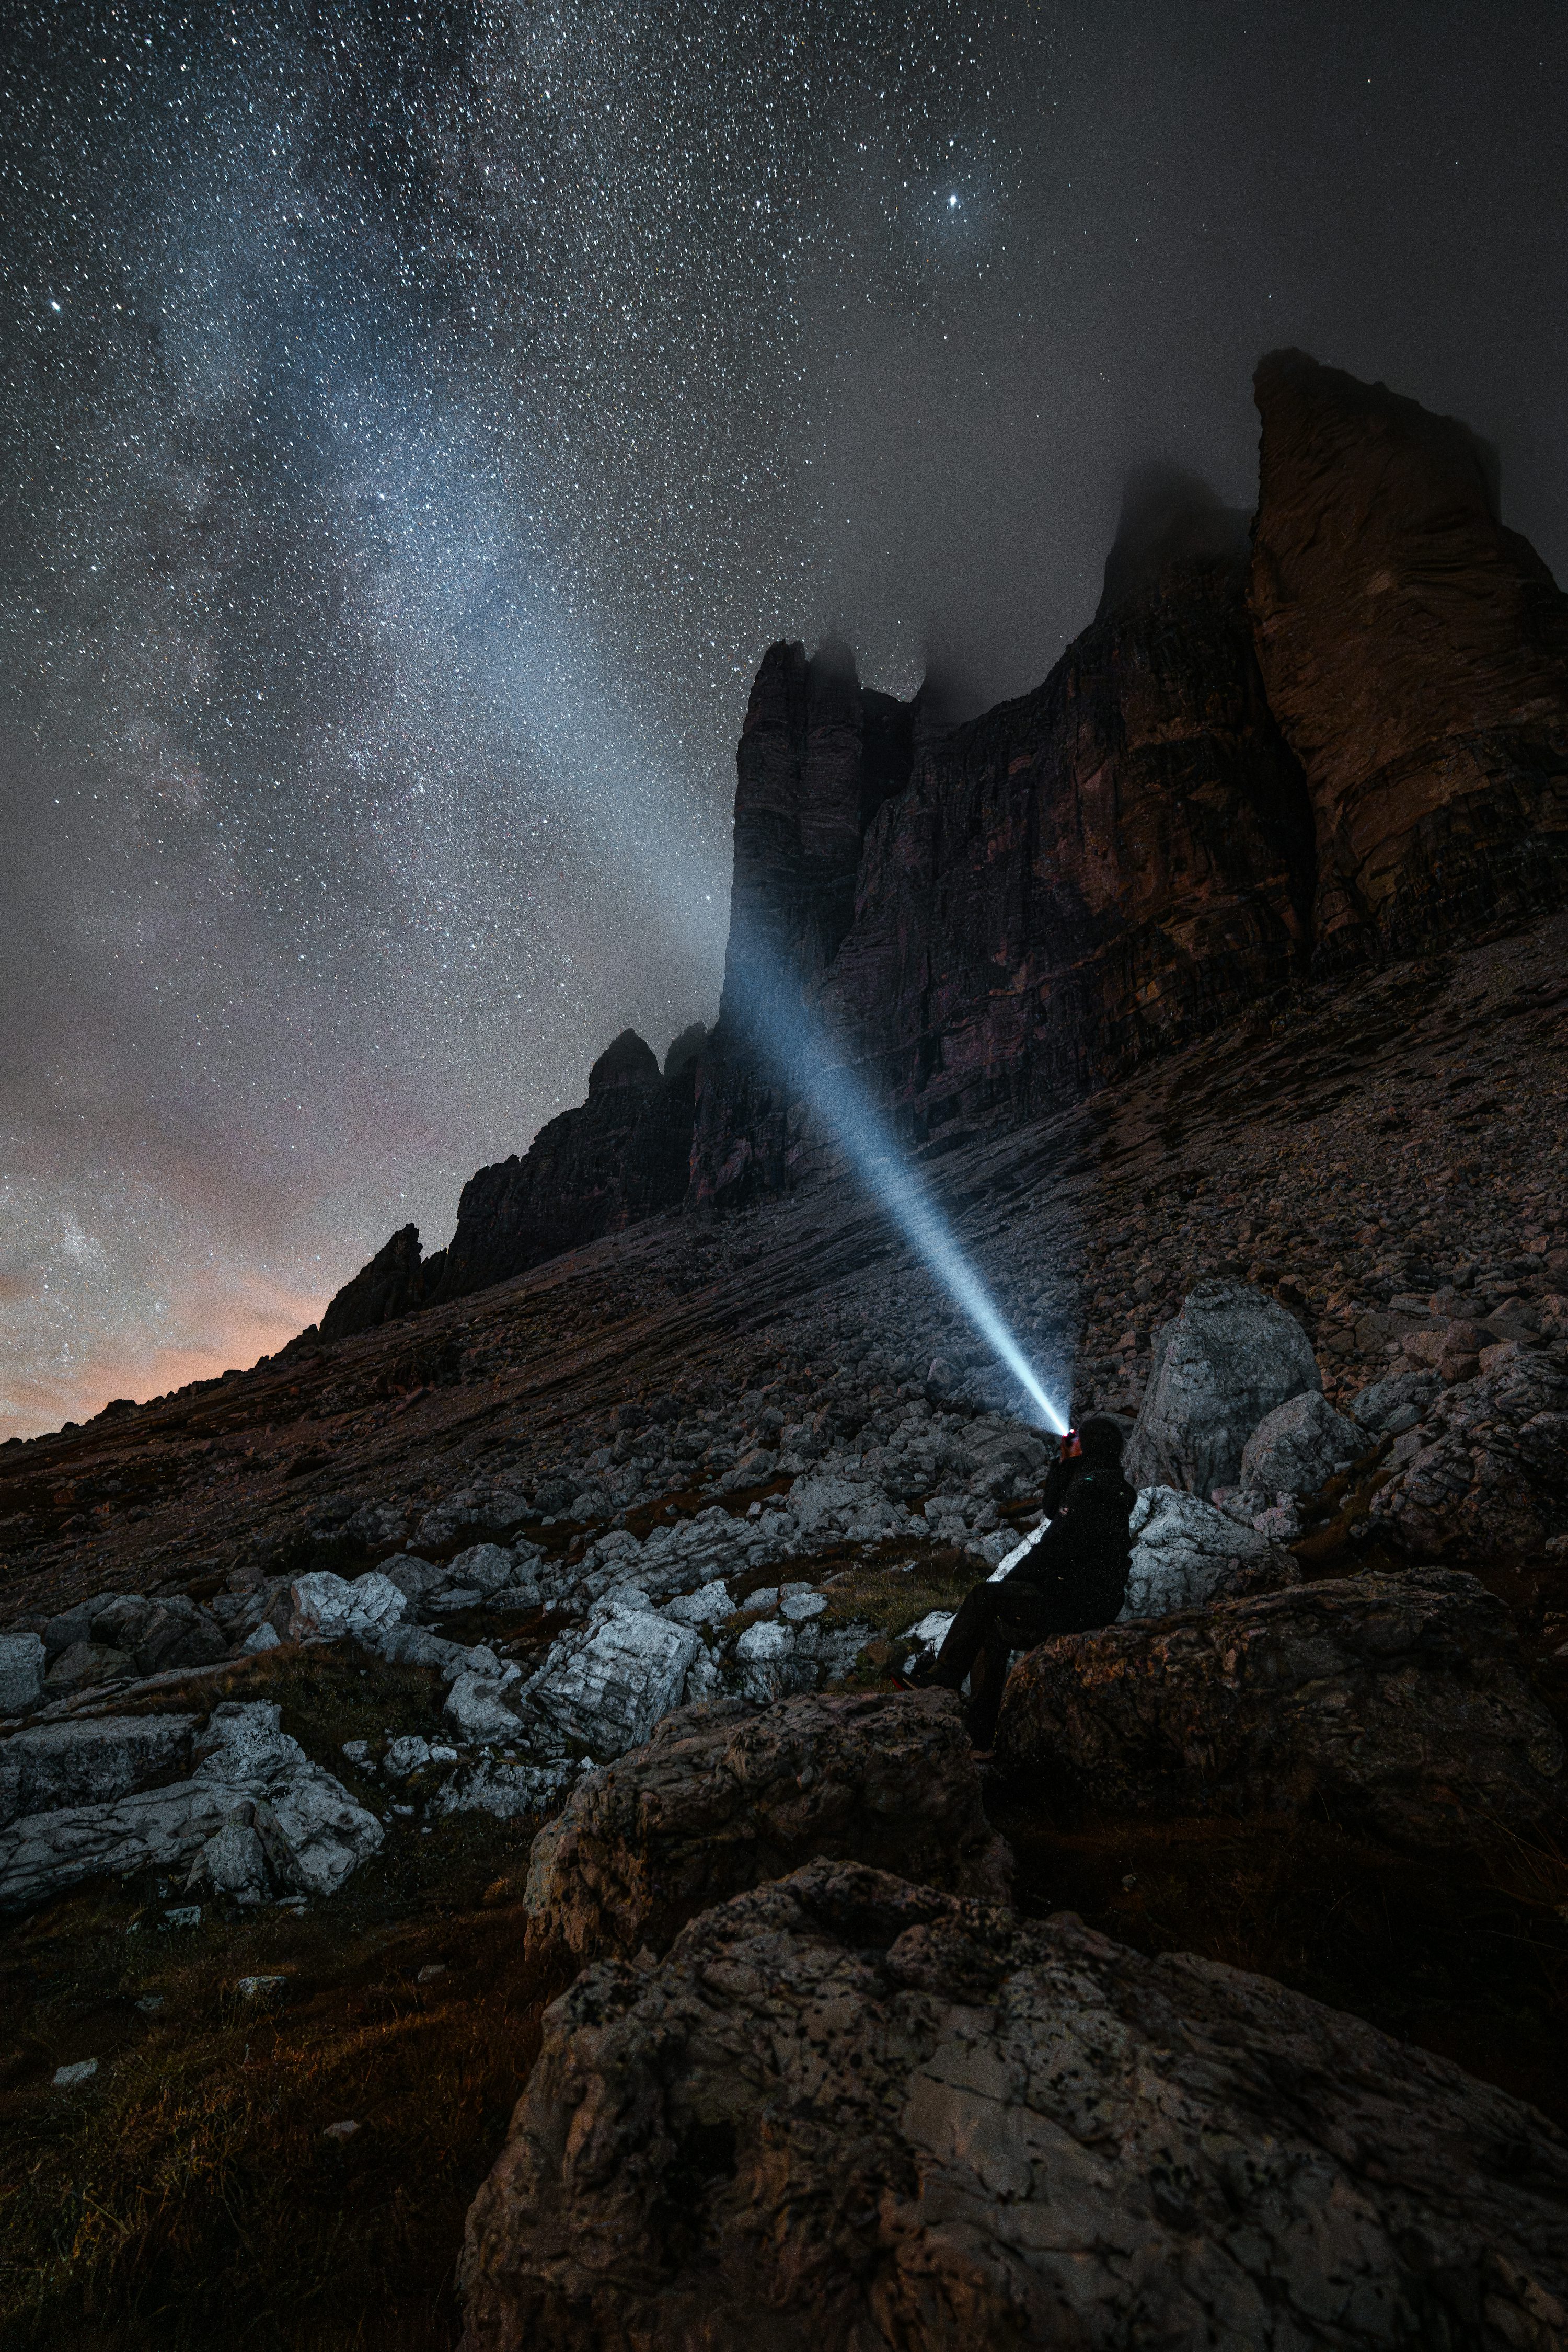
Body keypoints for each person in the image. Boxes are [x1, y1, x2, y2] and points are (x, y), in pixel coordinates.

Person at [921, 1414, 1135, 1749]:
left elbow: (1054, 1549)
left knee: (984, 1598)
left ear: (1089, 1446)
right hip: (1082, 1598)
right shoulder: (1100, 1483)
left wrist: (1013, 1581)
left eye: (1079, 1441)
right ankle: (980, 1737)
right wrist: (1063, 1464)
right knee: (992, 1631)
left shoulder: (1093, 1491)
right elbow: (1052, 1510)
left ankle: (940, 1685)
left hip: (1075, 1603)